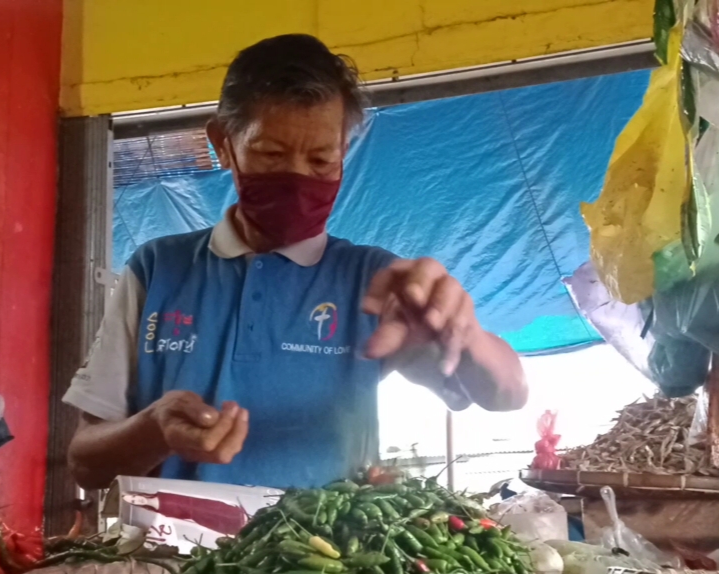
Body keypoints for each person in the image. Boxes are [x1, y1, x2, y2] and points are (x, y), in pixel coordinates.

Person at [65, 34, 527, 491]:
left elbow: (507, 395)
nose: (299, 178)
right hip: (173, 562)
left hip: (322, 561)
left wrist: (465, 335)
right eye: (272, 155)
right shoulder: (157, 269)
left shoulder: (374, 282)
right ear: (223, 143)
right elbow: (85, 462)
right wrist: (154, 429)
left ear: (344, 151)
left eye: (322, 160)